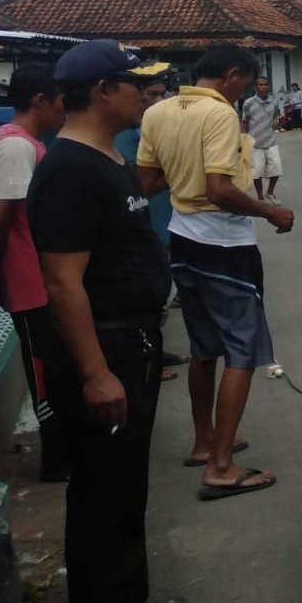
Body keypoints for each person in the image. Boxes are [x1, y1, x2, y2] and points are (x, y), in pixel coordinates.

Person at [28, 39, 190, 603]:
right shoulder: (68, 168)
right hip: (103, 347)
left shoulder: (107, 157)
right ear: (102, 91)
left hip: (133, 340)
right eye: (135, 85)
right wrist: (96, 373)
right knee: (101, 488)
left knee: (126, 484)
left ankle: (128, 599)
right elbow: (63, 281)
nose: (144, 96)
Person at [137, 43, 293, 500]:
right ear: (230, 75)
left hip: (182, 240)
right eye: (244, 81)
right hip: (224, 244)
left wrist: (183, 167)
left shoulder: (159, 112)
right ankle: (222, 466)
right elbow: (221, 190)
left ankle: (205, 440)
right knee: (242, 352)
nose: (243, 89)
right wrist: (270, 212)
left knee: (204, 348)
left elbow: (147, 182)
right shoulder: (220, 113)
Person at [0, 63, 69, 480]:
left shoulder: (25, 143)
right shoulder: (15, 147)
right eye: (60, 102)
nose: (64, 111)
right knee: (44, 374)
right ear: (40, 100)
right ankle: (57, 461)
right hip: (28, 280)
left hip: (38, 277)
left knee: (55, 367)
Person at [113, 69, 182, 383]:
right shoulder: (126, 135)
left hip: (163, 222)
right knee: (146, 300)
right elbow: (140, 185)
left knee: (160, 295)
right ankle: (149, 358)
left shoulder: (149, 129)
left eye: (160, 94)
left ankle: (156, 351)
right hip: (145, 227)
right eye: (151, 95)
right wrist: (179, 169)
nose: (158, 100)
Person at [240, 75, 284, 202]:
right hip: (255, 143)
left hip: (271, 141)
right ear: (256, 87)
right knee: (257, 172)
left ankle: (270, 192)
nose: (264, 87)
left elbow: (276, 117)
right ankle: (260, 197)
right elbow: (245, 122)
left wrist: (276, 122)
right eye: (261, 85)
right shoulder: (249, 103)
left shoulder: (274, 101)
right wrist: (244, 139)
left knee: (276, 169)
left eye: (266, 84)